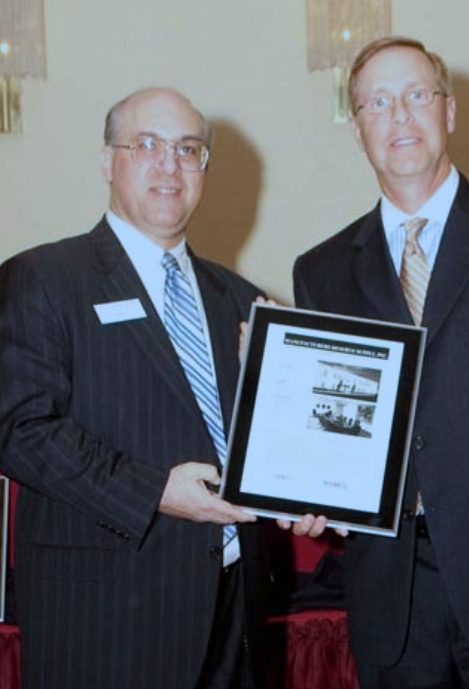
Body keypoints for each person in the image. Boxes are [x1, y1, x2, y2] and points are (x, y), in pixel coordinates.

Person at [292, 37, 469, 688]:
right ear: (356, 126)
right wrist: (306, 491)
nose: (400, 116)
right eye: (378, 102)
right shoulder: (322, 271)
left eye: (418, 95)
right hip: (392, 599)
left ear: (449, 112)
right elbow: (327, 432)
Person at [0, 87, 269, 689]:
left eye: (188, 149)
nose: (168, 165)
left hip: (233, 616)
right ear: (107, 162)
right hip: (106, 622)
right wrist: (154, 492)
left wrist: (305, 492)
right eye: (146, 145)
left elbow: (268, 442)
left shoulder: (241, 298)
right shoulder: (42, 279)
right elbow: (18, 429)